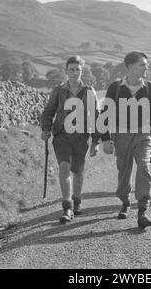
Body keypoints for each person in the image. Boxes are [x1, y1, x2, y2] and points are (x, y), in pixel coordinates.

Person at [101, 51, 151, 228]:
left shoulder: (150, 88)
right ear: (131, 66)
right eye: (142, 64)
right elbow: (105, 114)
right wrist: (105, 138)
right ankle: (125, 202)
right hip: (121, 135)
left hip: (143, 135)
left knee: (144, 167)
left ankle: (143, 211)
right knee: (123, 173)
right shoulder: (115, 88)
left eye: (146, 64)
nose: (146, 67)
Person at [40, 56, 100, 223]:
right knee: (64, 168)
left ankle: (77, 200)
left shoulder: (89, 91)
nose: (74, 72)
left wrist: (96, 141)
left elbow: (96, 116)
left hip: (82, 136)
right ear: (66, 71)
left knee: (78, 171)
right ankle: (67, 207)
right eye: (71, 69)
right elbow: (48, 111)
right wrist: (46, 129)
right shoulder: (58, 90)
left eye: (78, 69)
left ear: (82, 71)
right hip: (62, 135)